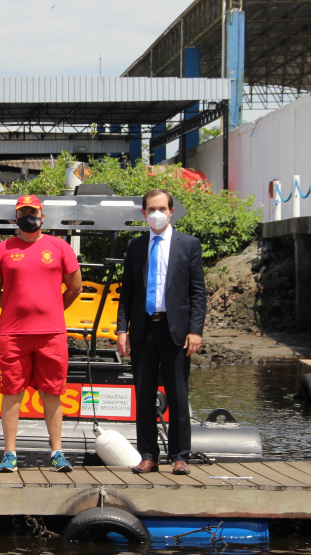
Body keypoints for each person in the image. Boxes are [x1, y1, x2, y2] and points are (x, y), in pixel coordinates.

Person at [0, 195, 82, 473]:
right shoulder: (2, 249)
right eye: (23, 212)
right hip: (13, 335)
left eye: (33, 211)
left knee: (52, 392)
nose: (29, 216)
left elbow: (75, 287)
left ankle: (57, 452)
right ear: (15, 217)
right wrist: (16, 310)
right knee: (11, 392)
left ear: (42, 214)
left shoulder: (60, 247)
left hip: (51, 334)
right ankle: (9, 454)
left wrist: (54, 308)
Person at [117, 188, 206, 475]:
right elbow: (127, 292)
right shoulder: (135, 246)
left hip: (176, 330)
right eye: (151, 209)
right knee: (144, 395)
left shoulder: (189, 244)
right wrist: (122, 329)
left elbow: (197, 292)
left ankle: (180, 456)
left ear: (171, 211)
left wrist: (195, 330)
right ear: (144, 213)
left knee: (178, 395)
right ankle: (148, 455)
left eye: (162, 208)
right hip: (143, 329)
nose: (157, 213)